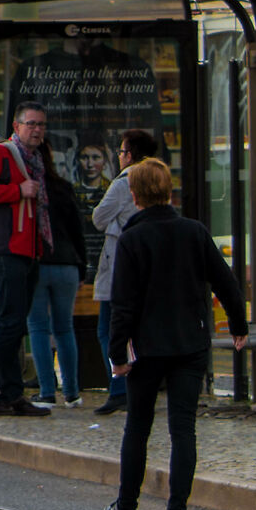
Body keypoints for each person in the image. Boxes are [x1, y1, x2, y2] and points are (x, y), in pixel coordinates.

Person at [104, 158, 247, 510]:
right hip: (189, 343)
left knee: (138, 426)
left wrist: (118, 355)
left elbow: (123, 304)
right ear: (169, 191)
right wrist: (238, 326)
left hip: (146, 347)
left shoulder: (132, 239)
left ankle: (127, 506)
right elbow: (226, 283)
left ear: (134, 196)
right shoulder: (194, 232)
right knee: (183, 429)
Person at [0, 102, 56, 417]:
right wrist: (17, 191)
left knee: (14, 325)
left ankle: (12, 394)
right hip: (4, 249)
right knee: (10, 322)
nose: (37, 130)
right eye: (30, 123)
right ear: (16, 127)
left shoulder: (35, 160)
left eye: (41, 124)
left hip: (26, 250)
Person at [89, 128, 159, 416]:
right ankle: (138, 386)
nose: (119, 156)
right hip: (148, 265)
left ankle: (119, 387)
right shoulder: (157, 177)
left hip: (118, 264)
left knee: (108, 328)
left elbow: (98, 218)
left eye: (120, 151)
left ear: (129, 155)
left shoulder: (122, 182)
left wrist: (117, 224)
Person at [26, 124, 91, 407]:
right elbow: (78, 230)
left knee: (38, 328)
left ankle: (46, 391)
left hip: (37, 263)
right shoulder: (64, 187)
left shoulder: (27, 189)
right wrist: (82, 265)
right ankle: (73, 391)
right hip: (67, 264)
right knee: (64, 328)